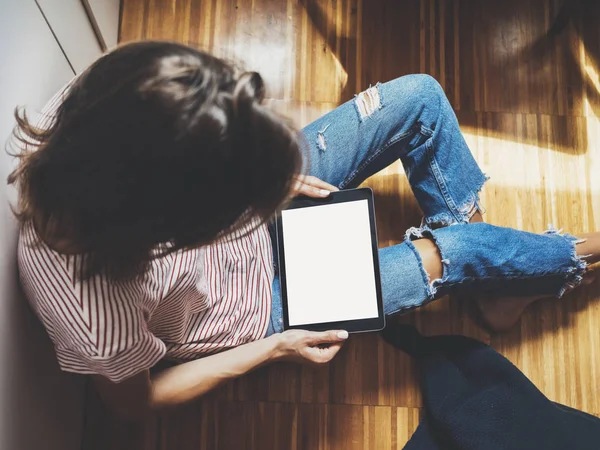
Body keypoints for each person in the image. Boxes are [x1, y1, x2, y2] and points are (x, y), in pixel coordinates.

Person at [10, 41, 599, 420]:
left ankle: (494, 283)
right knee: (456, 253)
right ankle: (545, 263)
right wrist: (273, 349)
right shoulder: (89, 306)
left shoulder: (110, 103)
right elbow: (138, 401)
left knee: (418, 96)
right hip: (262, 308)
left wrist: (269, 169)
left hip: (238, 194)